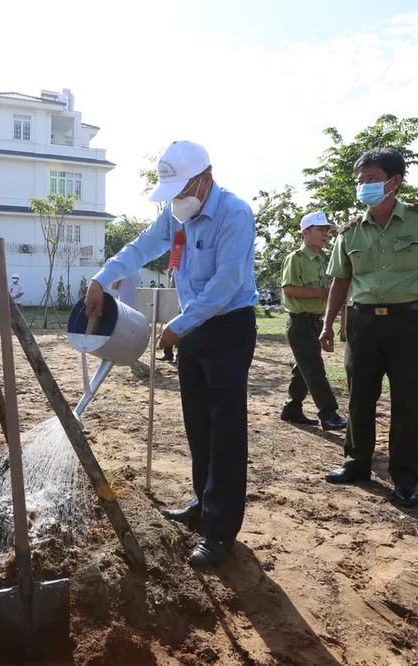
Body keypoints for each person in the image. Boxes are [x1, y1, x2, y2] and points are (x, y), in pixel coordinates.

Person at [85, 140, 257, 566]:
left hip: (228, 328)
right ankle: (204, 505)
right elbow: (142, 247)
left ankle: (221, 533)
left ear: (206, 179)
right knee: (198, 425)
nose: (177, 201)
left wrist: (177, 327)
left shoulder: (235, 214)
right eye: (173, 194)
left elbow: (226, 284)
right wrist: (101, 279)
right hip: (191, 330)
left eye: (183, 191)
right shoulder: (177, 215)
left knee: (226, 431)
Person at [321, 147, 418, 508]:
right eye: (361, 181)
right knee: (359, 397)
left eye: (372, 180)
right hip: (363, 323)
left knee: (409, 401)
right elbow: (340, 282)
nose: (364, 187)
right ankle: (355, 464)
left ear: (395, 181)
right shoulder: (349, 231)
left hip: (411, 322)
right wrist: (327, 323)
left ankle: (404, 478)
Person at [280, 211, 346, 431]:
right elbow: (289, 289)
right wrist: (324, 293)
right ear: (305, 232)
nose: (325, 234)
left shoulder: (320, 259)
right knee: (314, 369)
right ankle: (328, 414)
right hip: (300, 322)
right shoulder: (295, 258)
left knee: (304, 367)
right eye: (320, 230)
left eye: (327, 230)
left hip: (315, 322)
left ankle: (292, 408)